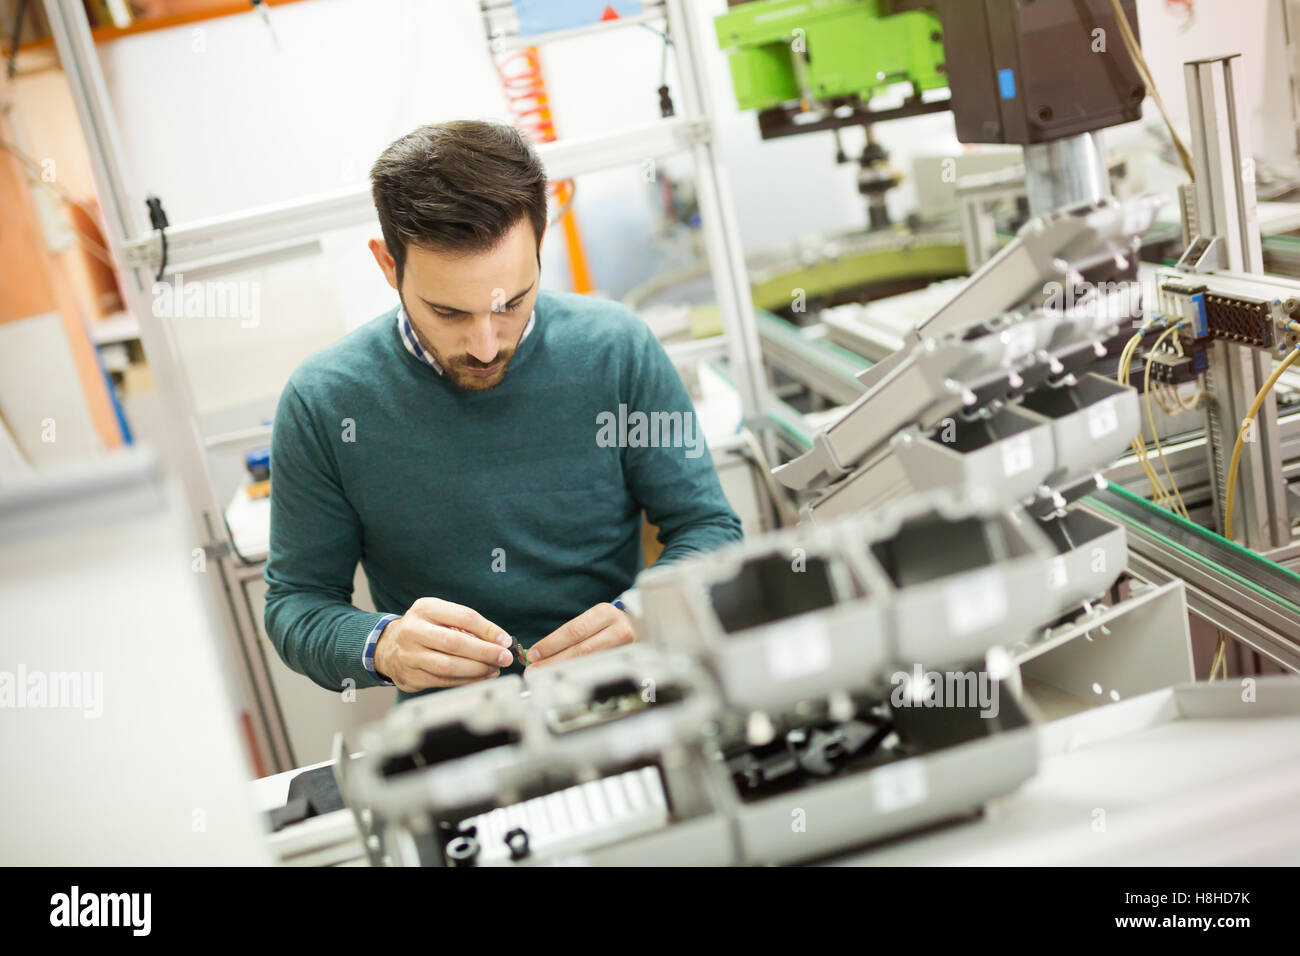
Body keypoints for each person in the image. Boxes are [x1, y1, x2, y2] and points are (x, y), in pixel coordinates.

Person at [263, 120, 742, 701]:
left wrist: (647, 611)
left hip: (623, 694)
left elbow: (709, 527)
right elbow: (297, 602)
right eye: (449, 313)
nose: (486, 346)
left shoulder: (618, 351)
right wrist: (382, 646)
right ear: (389, 267)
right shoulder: (324, 402)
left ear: (540, 249)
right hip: (458, 727)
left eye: (511, 304)